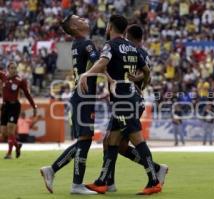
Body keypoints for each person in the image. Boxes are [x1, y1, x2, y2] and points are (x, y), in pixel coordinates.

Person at [78, 15, 162, 195]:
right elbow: (147, 71)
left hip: (123, 99)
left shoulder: (111, 45)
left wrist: (86, 75)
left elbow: (102, 63)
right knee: (111, 141)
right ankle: (102, 182)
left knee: (137, 139)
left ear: (109, 27)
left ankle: (154, 180)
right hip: (127, 97)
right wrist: (142, 85)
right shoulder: (133, 47)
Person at [101, 24, 168, 192]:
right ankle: (109, 181)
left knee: (117, 141)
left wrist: (134, 81)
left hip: (128, 101)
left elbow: (144, 75)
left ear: (129, 36)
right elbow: (147, 77)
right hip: (129, 100)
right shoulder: (138, 52)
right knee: (116, 144)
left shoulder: (131, 51)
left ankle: (110, 182)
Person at [40, 14, 99, 195]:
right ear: (74, 27)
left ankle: (54, 171)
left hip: (81, 96)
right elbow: (99, 62)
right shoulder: (87, 43)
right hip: (84, 97)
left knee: (84, 140)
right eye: (79, 19)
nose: (83, 19)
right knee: (84, 140)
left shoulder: (76, 44)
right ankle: (74, 183)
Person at [0, 62, 37, 159]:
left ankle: (9, 154)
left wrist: (34, 106)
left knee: (11, 130)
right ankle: (17, 145)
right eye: (12, 68)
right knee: (4, 132)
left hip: (14, 106)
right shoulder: (3, 76)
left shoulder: (20, 80)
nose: (14, 70)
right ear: (8, 69)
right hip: (5, 106)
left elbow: (27, 94)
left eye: (15, 68)